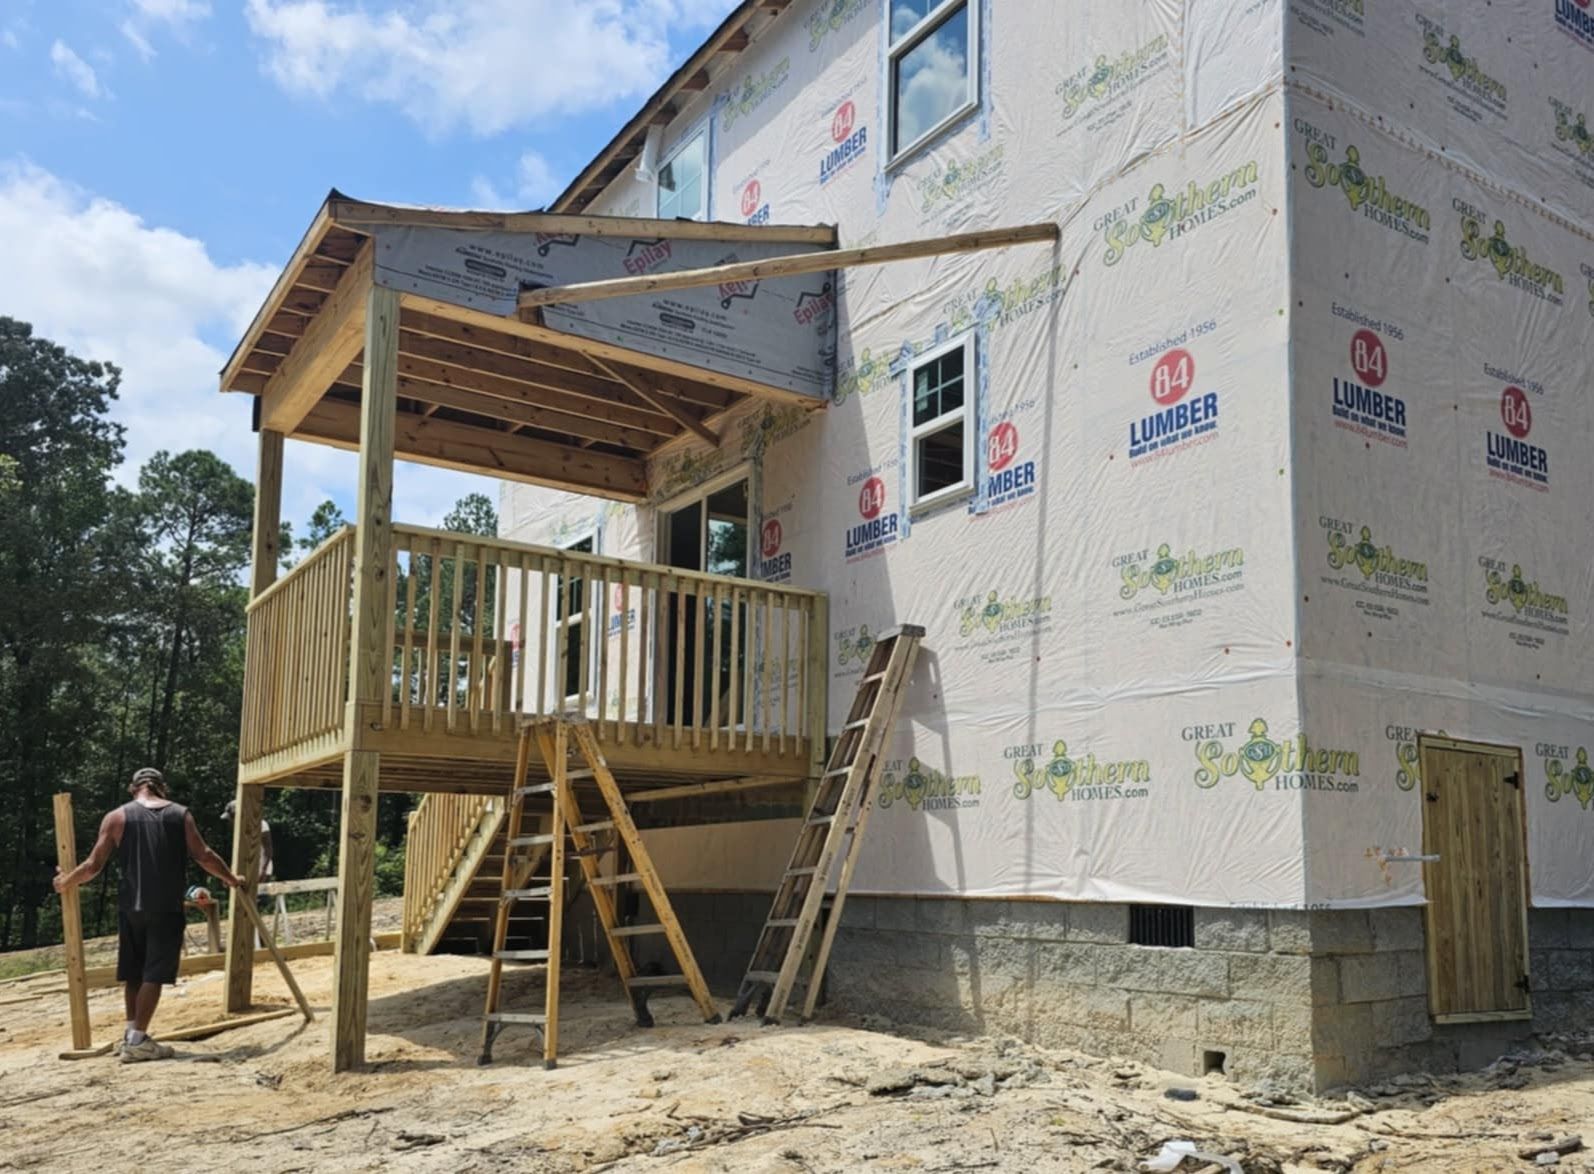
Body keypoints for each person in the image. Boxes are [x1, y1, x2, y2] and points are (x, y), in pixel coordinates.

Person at [52, 767, 241, 1063]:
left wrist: (66, 881)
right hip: (165, 908)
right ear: (161, 788)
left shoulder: (116, 817)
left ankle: (131, 1035)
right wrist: (231, 879)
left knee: (134, 972)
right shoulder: (180, 814)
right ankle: (138, 1040)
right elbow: (203, 855)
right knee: (154, 973)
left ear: (133, 788)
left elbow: (92, 865)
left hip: (131, 908)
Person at [220, 799, 273, 883]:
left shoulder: (261, 824)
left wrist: (263, 870)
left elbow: (268, 849)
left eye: (232, 817)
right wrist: (230, 873)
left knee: (259, 895)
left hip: (260, 868)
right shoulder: (239, 829)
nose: (230, 821)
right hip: (244, 869)